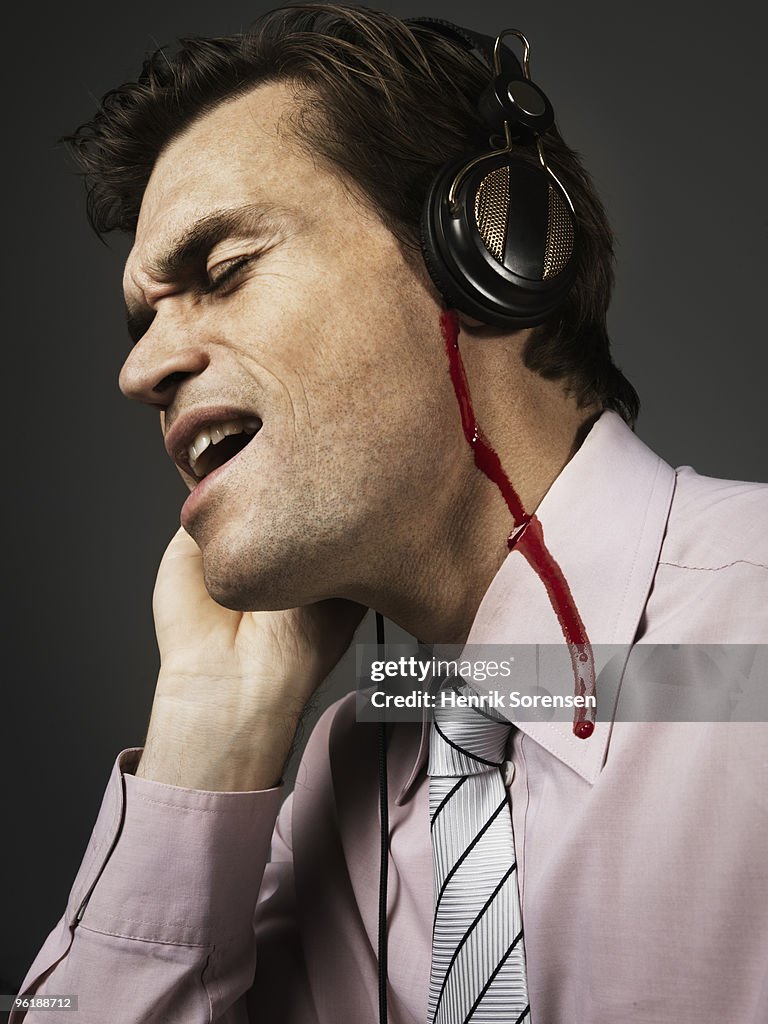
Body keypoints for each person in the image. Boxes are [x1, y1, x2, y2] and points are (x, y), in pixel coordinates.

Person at [12, 4, 767, 1023]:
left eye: (224, 272)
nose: (141, 368)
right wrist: (208, 724)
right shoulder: (329, 781)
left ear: (492, 252)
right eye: (145, 319)